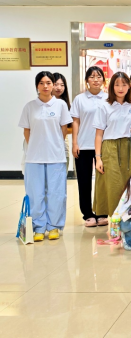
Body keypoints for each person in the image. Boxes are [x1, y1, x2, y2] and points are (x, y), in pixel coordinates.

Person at [19, 71, 71, 241]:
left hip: (56, 156)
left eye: (48, 83)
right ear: (37, 86)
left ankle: (54, 226)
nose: (45, 86)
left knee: (56, 193)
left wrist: (54, 144)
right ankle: (39, 227)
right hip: (34, 158)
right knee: (36, 193)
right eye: (41, 83)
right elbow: (27, 131)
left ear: (53, 85)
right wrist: (35, 147)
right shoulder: (29, 107)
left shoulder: (60, 105)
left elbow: (64, 129)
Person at [94, 72, 131, 221]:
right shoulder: (104, 106)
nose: (121, 88)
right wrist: (98, 158)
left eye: (124, 84)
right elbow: (99, 134)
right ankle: (115, 222)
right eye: (117, 84)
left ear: (129, 86)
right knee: (113, 185)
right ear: (112, 86)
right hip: (110, 148)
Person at [71, 66, 108, 227]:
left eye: (98, 76)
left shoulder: (108, 98)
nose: (95, 80)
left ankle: (102, 212)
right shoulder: (79, 99)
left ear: (103, 80)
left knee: (102, 181)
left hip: (104, 145)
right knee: (84, 181)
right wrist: (75, 143)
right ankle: (87, 214)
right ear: (86, 80)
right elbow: (76, 122)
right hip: (84, 144)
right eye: (92, 77)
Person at [52, 72, 72, 170]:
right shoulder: (41, 103)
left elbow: (71, 128)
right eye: (56, 84)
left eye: (62, 85)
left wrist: (58, 131)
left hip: (62, 143)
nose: (59, 88)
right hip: (46, 144)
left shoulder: (66, 104)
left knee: (61, 173)